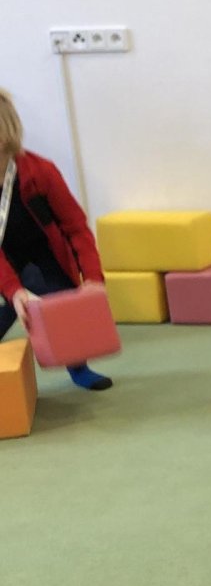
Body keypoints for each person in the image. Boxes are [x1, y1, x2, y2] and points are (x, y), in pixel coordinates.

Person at [0, 89, 113, 390]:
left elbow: (76, 228)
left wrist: (93, 278)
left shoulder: (40, 172)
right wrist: (13, 291)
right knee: (12, 305)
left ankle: (78, 366)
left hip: (41, 255)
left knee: (60, 302)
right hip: (3, 261)